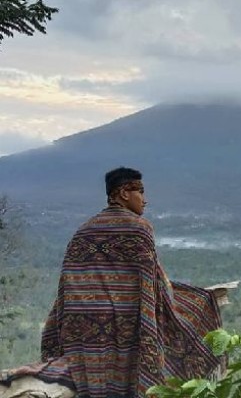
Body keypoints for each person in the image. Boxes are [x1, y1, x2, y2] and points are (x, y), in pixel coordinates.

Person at [1, 167, 224, 397]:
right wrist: (192, 298)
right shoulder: (140, 229)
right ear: (123, 193)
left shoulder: (83, 231)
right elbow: (153, 286)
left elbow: (66, 290)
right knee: (196, 307)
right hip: (126, 329)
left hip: (80, 334)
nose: (145, 200)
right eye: (141, 192)